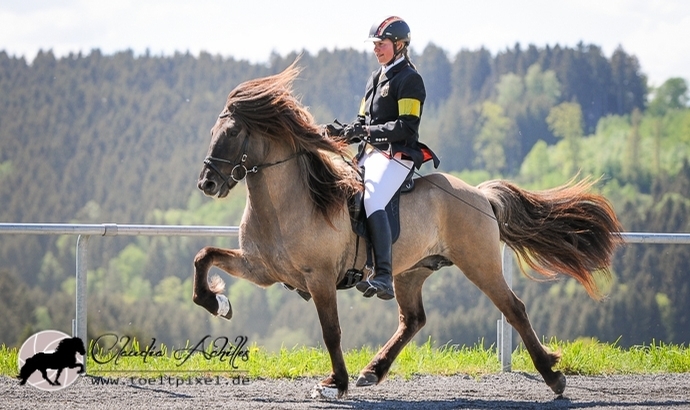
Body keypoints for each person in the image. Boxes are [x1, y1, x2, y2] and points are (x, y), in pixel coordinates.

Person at [340, 16, 439, 300]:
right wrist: (347, 131)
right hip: (371, 155)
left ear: (399, 45)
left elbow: (406, 126)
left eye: (381, 44)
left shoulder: (410, 79)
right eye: (374, 44)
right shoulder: (375, 78)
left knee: (372, 199)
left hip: (397, 156)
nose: (376, 49)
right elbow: (362, 120)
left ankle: (382, 274)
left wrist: (367, 130)